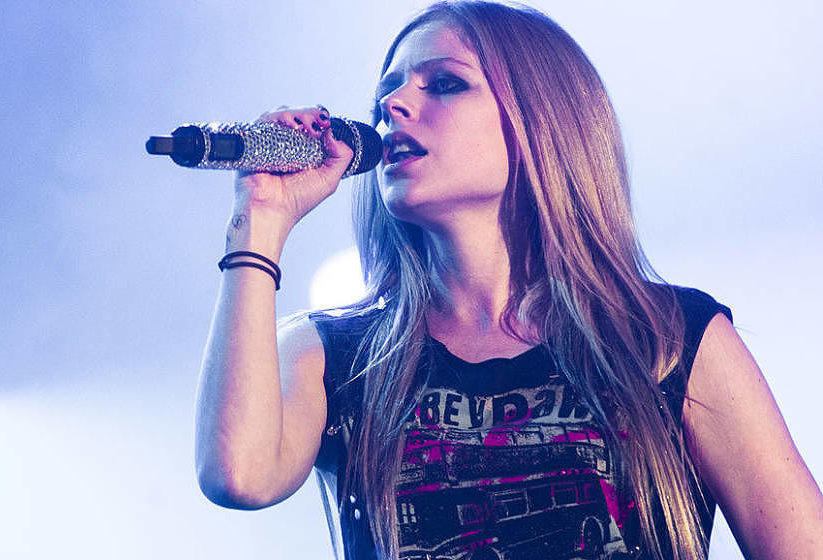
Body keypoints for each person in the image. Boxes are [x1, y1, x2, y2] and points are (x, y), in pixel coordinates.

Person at [193, 2, 823, 559]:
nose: (392, 105)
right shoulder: (331, 353)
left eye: (445, 83)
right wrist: (261, 217)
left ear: (538, 122)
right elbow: (240, 476)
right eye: (386, 91)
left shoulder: (669, 339)